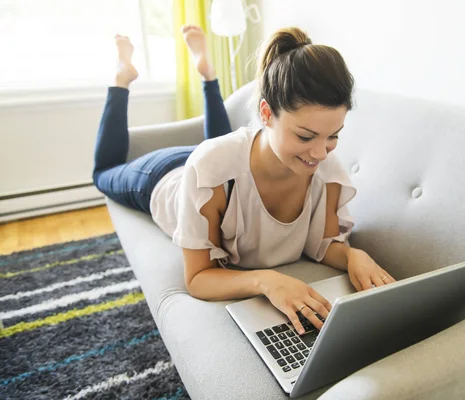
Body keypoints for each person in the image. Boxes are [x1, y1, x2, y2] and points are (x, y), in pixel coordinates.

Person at [93, 25, 396, 335]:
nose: (320, 153)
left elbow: (323, 244)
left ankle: (207, 74)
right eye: (306, 136)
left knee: (222, 148)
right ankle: (121, 78)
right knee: (103, 172)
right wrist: (265, 280)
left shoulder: (327, 172)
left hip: (227, 161)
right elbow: (198, 279)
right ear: (266, 114)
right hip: (164, 177)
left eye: (333, 136)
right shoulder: (211, 166)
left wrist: (352, 255)